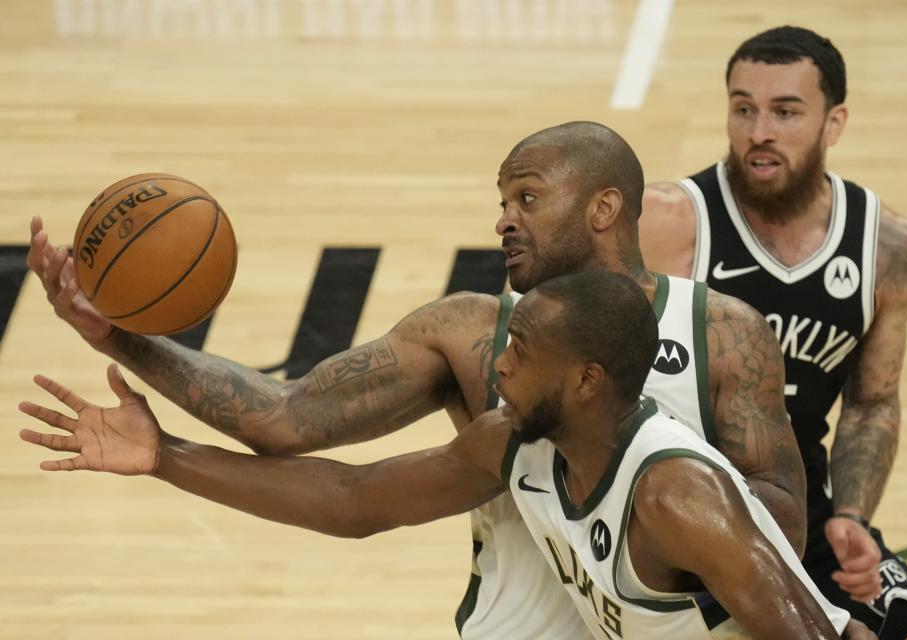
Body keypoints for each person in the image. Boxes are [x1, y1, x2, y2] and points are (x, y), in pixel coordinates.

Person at [28, 121, 822, 638]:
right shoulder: (478, 345)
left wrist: (659, 513)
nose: (504, 218)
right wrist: (122, 344)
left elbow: (782, 529)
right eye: (502, 200)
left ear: (606, 206)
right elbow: (302, 443)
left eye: (528, 198)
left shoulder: (721, 333)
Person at [20, 270, 869, 639]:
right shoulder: (514, 443)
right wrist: (165, 455)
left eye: (521, 346)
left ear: (584, 380)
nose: (498, 358)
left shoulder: (677, 496)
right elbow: (352, 504)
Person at [638, 26, 907, 640]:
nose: (760, 131)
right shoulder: (669, 225)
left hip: (797, 505)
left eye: (786, 111)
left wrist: (854, 517)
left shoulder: (889, 248)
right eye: (743, 108)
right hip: (676, 514)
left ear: (833, 123)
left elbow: (872, 398)